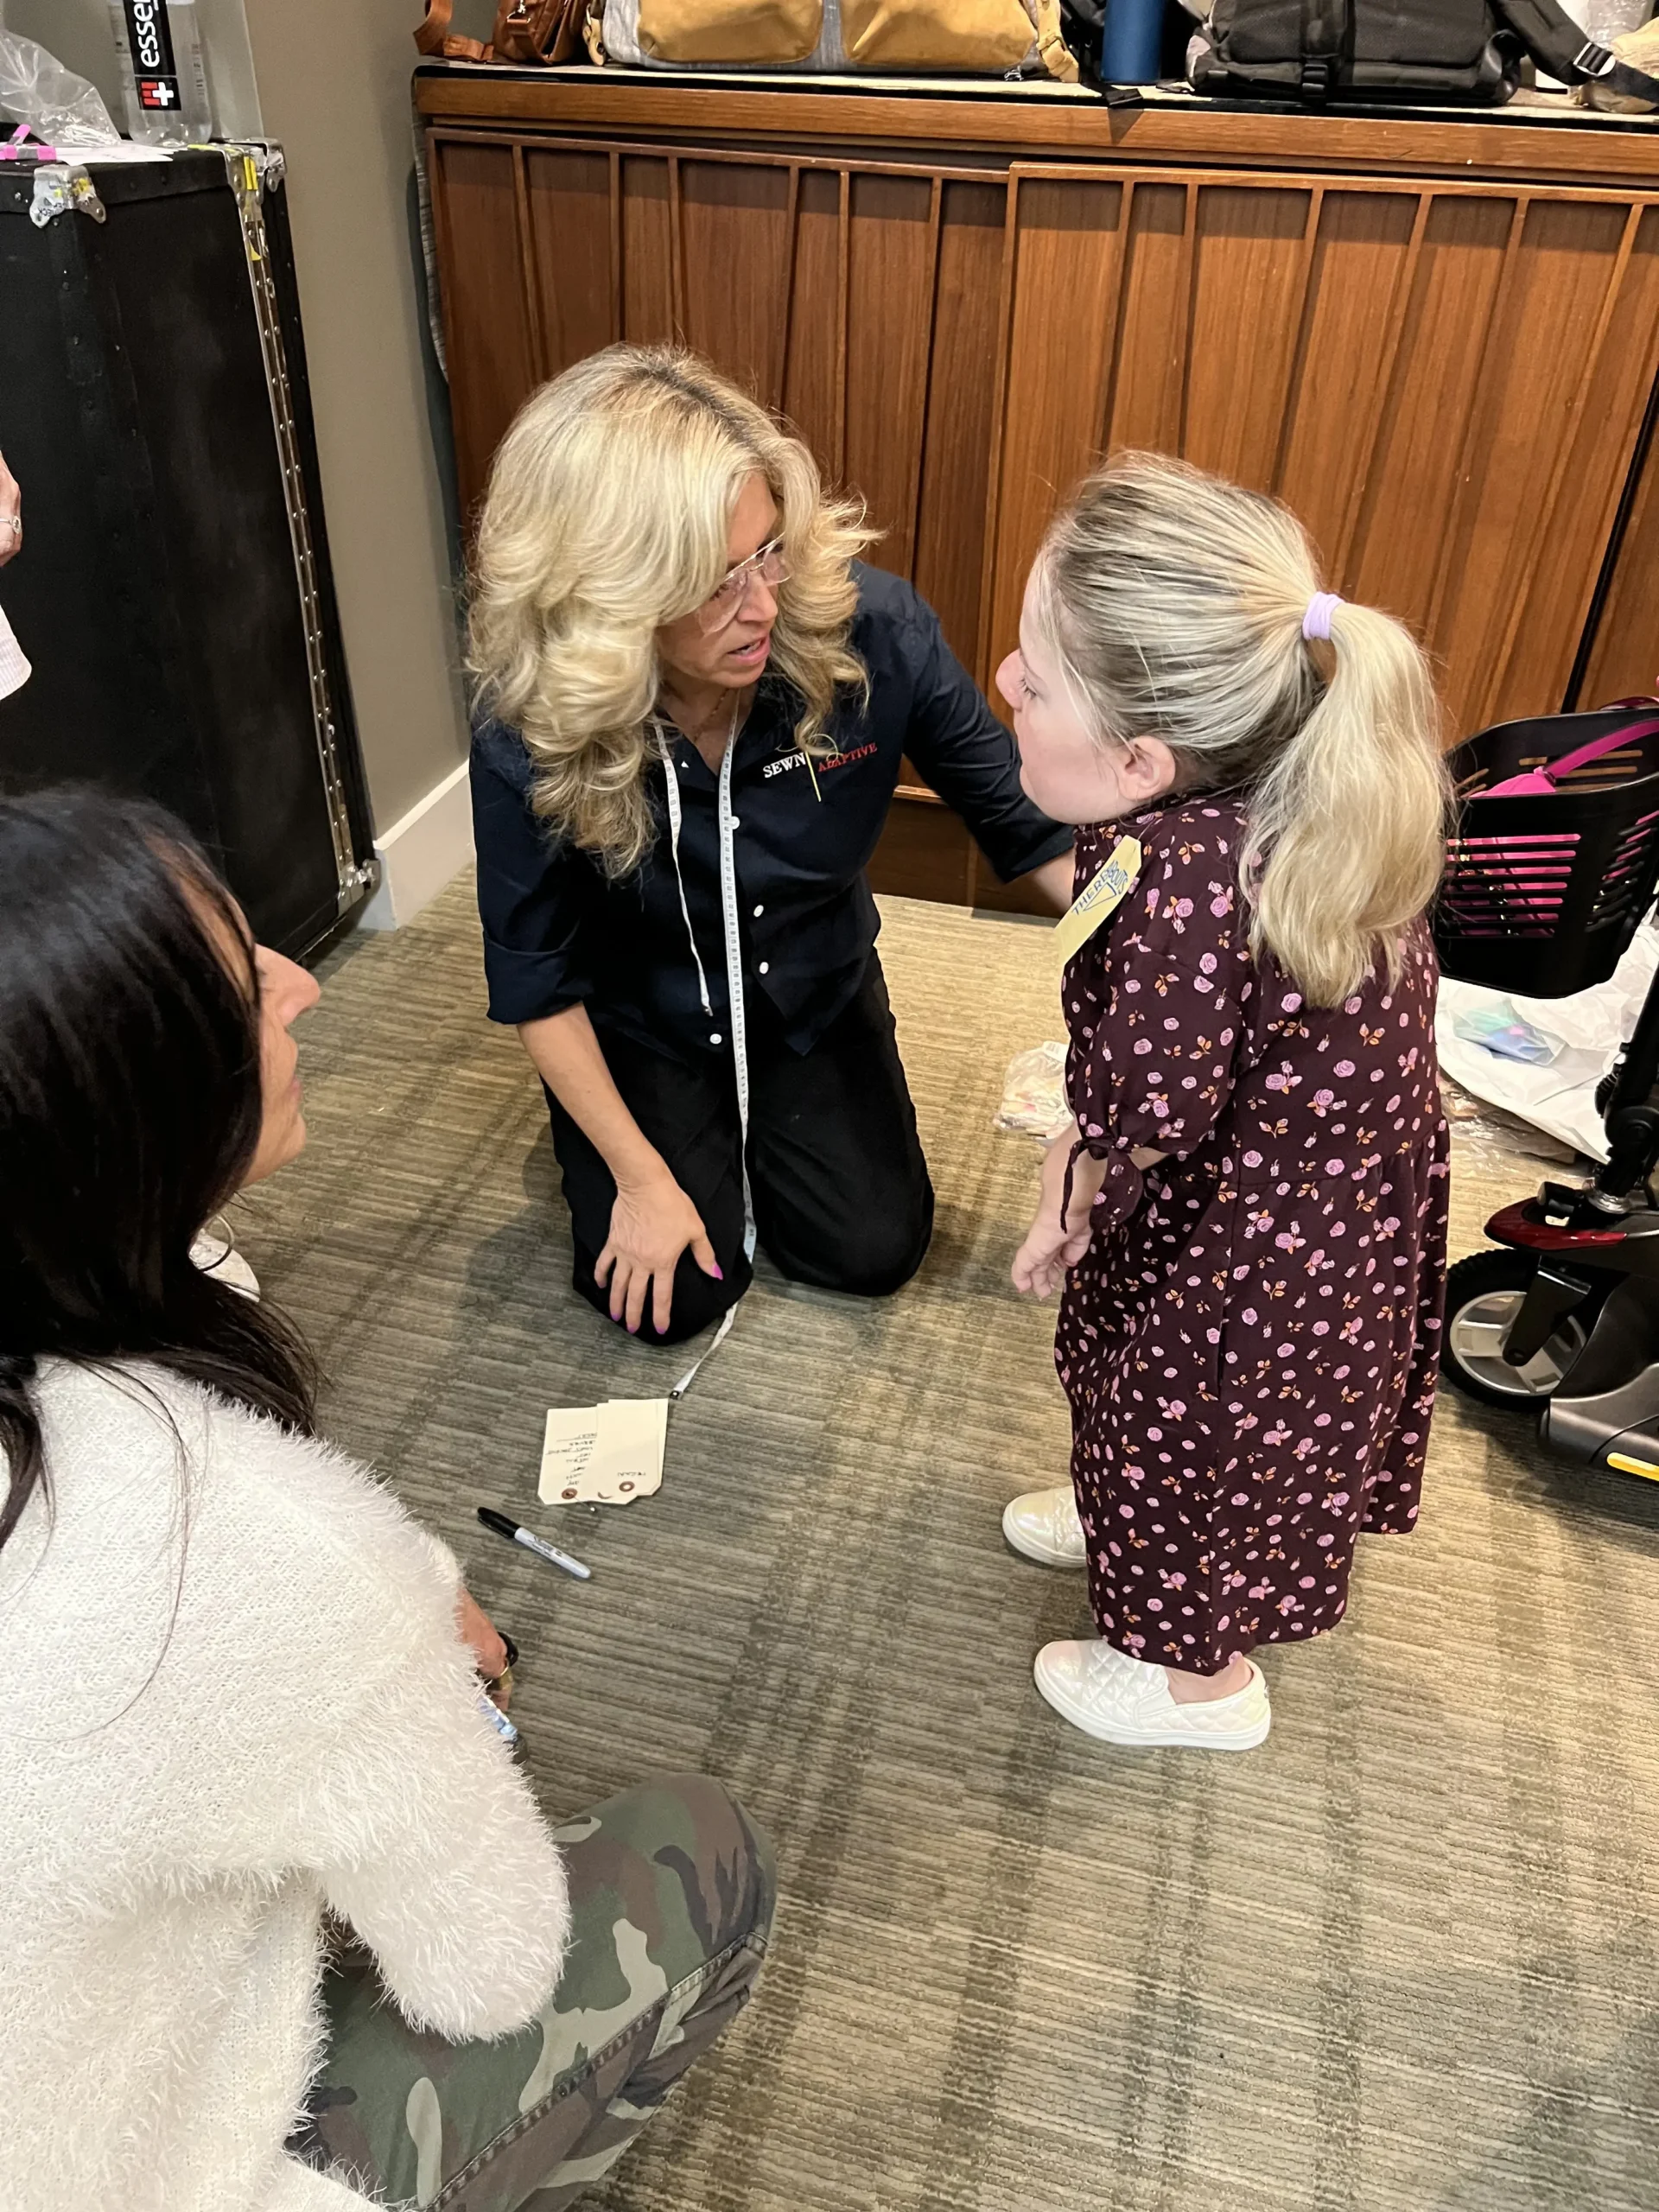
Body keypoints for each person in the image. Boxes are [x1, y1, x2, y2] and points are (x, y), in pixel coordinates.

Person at [0, 789, 774, 2212]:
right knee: (699, 1856)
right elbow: (487, 1969)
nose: (304, 980)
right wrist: (382, 1629)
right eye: (245, 985)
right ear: (124, 1106)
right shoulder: (226, 1545)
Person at [468, 346, 1074, 1347]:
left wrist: (1173, 970)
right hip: (643, 1016)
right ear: (612, 596)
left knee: (872, 1251)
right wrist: (639, 1177)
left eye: (768, 551)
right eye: (714, 582)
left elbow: (1036, 832)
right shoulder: (535, 716)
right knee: (674, 1299)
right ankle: (623, 1136)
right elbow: (536, 980)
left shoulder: (876, 631)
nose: (761, 605)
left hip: (811, 994)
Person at [998, 453, 1450, 1752]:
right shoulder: (1282, 790)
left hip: (1258, 1254)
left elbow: (1148, 1103)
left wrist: (1069, 1181)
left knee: (1191, 1433)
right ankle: (1116, 1507)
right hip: (1299, 1207)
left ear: (1142, 759)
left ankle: (1193, 1680)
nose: (1008, 684)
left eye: (1037, 674)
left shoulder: (1186, 882)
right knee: (1129, 1383)